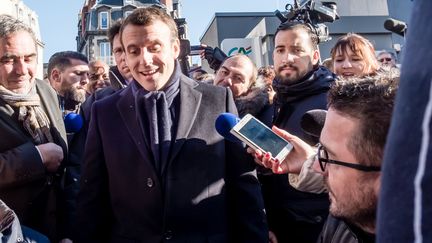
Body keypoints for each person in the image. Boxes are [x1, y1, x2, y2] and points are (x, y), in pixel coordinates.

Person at [75, 7, 267, 242]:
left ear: (175, 48)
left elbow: (243, 185)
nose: (144, 60)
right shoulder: (103, 111)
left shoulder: (217, 99)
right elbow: (92, 196)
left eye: (154, 48)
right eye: (134, 51)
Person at [255, 73, 399, 242]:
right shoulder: (342, 220)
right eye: (320, 150)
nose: (315, 166)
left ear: (386, 179)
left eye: (329, 157)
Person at [257, 21, 336, 243]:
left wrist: (311, 161)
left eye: (297, 50)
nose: (287, 58)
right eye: (280, 50)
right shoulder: (270, 105)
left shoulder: (337, 101)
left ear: (315, 56)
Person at [0, 15, 68, 242]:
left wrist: (69, 232)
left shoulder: (45, 90)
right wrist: (36, 157)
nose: (21, 70)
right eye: (8, 59)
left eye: (29, 58)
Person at [214, 54, 272, 126]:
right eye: (224, 72)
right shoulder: (197, 102)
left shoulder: (261, 122)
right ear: (216, 73)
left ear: (249, 89)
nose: (227, 80)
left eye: (238, 78)